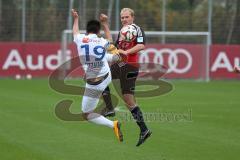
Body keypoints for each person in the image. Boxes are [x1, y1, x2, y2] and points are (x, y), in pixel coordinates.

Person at [100, 8, 151, 146]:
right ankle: (110, 108)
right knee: (99, 78)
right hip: (120, 64)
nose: (124, 20)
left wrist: (126, 52)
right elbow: (113, 46)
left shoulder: (137, 30)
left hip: (130, 66)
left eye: (126, 17)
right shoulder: (123, 32)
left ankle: (144, 129)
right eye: (122, 17)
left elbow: (141, 45)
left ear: (132, 18)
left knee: (129, 102)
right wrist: (105, 25)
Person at [71, 9, 123, 142]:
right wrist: (105, 24)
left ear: (87, 30)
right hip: (106, 76)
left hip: (95, 83)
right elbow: (111, 43)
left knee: (86, 114)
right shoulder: (101, 41)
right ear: (98, 31)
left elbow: (75, 31)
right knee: (112, 57)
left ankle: (113, 125)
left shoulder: (80, 39)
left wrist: (76, 18)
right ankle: (109, 106)